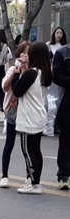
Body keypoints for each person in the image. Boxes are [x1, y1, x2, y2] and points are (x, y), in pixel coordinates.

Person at [10, 42, 51, 195]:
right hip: (39, 115)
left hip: (28, 117)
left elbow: (17, 90)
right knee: (36, 150)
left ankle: (33, 183)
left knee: (28, 151)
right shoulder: (45, 73)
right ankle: (34, 181)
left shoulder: (31, 73)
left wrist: (16, 73)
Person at [0, 41, 30, 189]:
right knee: (9, 143)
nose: (25, 56)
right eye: (23, 53)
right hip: (12, 111)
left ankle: (29, 177)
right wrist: (15, 72)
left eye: (28, 53)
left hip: (25, 110)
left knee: (27, 147)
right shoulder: (13, 69)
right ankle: (4, 175)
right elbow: (5, 87)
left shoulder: (32, 71)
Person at [52, 36, 70, 190]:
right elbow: (55, 76)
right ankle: (63, 175)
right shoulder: (63, 53)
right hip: (67, 102)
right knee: (66, 139)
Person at [46, 27, 66, 137]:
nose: (59, 35)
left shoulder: (64, 47)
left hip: (59, 74)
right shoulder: (48, 45)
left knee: (58, 98)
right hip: (50, 72)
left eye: (61, 33)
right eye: (57, 32)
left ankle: (56, 123)